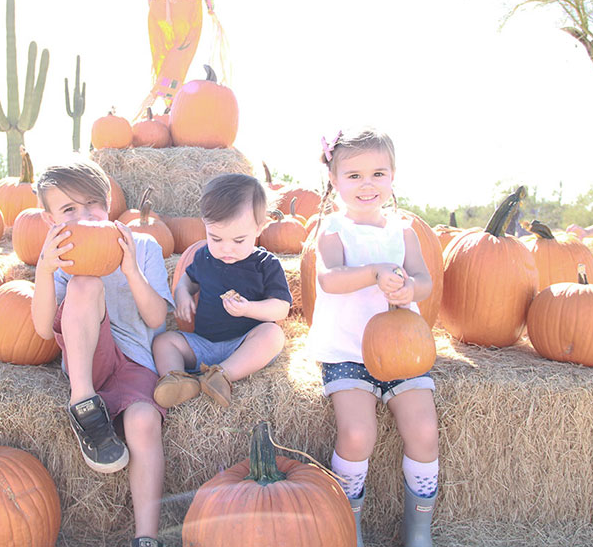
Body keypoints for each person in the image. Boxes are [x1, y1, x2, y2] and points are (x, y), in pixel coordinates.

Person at [31, 157, 173, 547]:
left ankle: (146, 537)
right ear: (50, 220)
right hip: (87, 362)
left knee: (144, 422)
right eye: (69, 209)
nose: (85, 215)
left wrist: (130, 270)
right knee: (84, 286)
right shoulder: (60, 255)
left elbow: (157, 316)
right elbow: (43, 329)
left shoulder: (143, 245)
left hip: (134, 363)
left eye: (93, 203)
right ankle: (83, 404)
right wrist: (45, 270)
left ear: (109, 203)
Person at [307, 129, 438, 547]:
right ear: (334, 180)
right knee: (358, 434)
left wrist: (409, 290)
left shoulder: (403, 231)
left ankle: (418, 530)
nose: (367, 184)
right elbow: (329, 280)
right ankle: (350, 524)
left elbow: (424, 280)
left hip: (403, 351)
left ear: (393, 176)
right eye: (355, 175)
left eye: (378, 173)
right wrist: (376, 271)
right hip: (347, 351)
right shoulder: (331, 230)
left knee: (424, 429)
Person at [151, 173, 292, 408]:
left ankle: (223, 375)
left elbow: (281, 309)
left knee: (272, 336)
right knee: (163, 342)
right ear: (205, 225)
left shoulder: (266, 264)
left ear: (259, 228)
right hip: (203, 343)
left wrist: (248, 309)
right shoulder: (204, 256)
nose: (226, 249)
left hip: (244, 344)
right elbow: (187, 281)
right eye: (216, 238)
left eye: (238, 241)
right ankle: (176, 380)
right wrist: (182, 294)